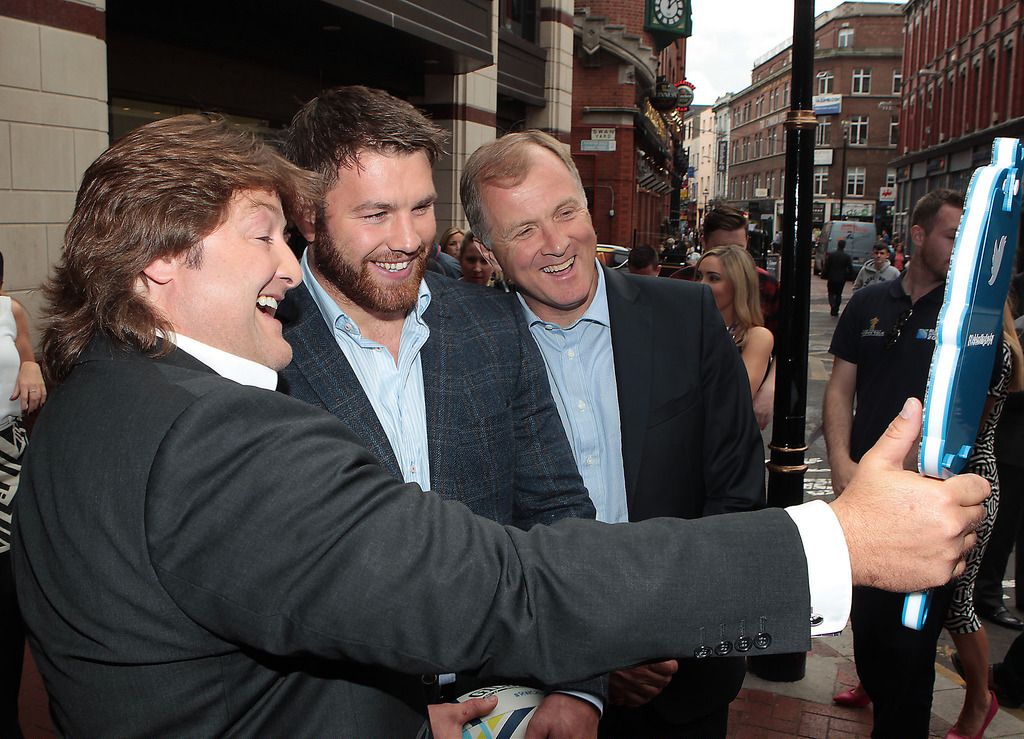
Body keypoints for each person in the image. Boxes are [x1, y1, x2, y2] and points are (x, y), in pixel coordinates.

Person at [13, 114, 988, 738]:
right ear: (162, 266)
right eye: (263, 236)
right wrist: (835, 539)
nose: (285, 264)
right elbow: (499, 584)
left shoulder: (97, 393)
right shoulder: (217, 439)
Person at [277, 86, 600, 734]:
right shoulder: (262, 353)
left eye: (422, 206)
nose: (407, 238)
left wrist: (579, 684)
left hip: (512, 700)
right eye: (375, 213)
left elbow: (560, 514)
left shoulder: (492, 325)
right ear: (309, 215)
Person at [458, 131, 772, 737]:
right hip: (537, 694)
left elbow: (735, 495)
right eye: (522, 230)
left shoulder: (688, 318)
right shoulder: (465, 353)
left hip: (684, 679)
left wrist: (655, 634)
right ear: (488, 251)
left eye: (565, 212)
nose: (556, 243)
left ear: (588, 207)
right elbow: (475, 534)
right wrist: (586, 659)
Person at [823, 188, 966, 737]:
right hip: (863, 499)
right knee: (872, 633)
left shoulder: (963, 315)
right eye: (950, 235)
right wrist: (841, 462)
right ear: (919, 235)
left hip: (924, 505)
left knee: (912, 651)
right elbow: (839, 390)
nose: (957, 247)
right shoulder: (868, 303)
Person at [942, 304, 1022, 739]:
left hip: (972, 481)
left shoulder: (992, 347)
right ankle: (875, 680)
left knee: (958, 602)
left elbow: (966, 424)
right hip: (948, 477)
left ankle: (978, 702)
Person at [0, 251, 46, 737]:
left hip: (8, 454)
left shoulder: (9, 310)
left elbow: (26, 354)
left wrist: (30, 366)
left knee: (11, 585)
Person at [700, 205, 778, 429]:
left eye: (737, 251)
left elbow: (789, 343)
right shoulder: (679, 285)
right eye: (721, 248)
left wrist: (770, 388)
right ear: (705, 243)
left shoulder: (767, 287)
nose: (729, 259)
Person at [696, 244, 775, 400]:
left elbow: (735, 397)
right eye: (699, 276)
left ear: (738, 285)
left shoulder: (757, 337)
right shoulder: (689, 327)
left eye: (713, 278)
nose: (701, 284)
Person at [824, 238, 853, 316]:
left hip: (832, 277)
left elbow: (827, 266)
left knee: (831, 293)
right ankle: (836, 307)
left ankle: (833, 306)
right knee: (839, 294)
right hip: (841, 278)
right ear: (844, 246)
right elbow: (850, 267)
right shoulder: (846, 256)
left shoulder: (831, 255)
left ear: (838, 245)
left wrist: (825, 274)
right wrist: (851, 276)